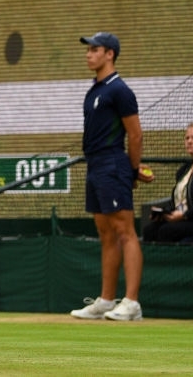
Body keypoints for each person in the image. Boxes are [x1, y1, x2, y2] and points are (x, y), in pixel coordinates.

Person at [71, 32, 151, 322]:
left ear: (110, 54)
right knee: (105, 233)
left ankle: (131, 302)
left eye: (95, 50)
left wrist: (131, 170)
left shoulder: (120, 91)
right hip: (95, 165)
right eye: (88, 50)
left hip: (113, 163)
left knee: (124, 231)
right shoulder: (94, 90)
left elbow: (136, 134)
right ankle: (106, 300)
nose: (88, 54)